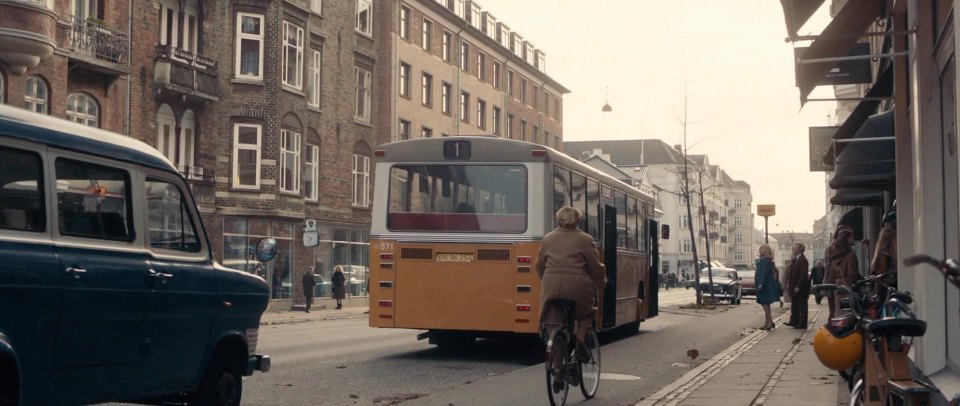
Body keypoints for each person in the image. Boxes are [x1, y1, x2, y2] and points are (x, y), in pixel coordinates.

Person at [536, 206, 606, 364]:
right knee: (588, 312)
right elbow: (594, 266)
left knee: (554, 323)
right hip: (578, 287)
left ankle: (558, 369)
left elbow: (539, 265)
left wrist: (546, 280)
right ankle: (580, 341)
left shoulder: (548, 238)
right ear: (578, 221)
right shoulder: (586, 239)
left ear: (558, 220)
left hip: (551, 286)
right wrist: (601, 283)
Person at [825, 226, 860, 318]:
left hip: (834, 285)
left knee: (834, 313)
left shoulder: (831, 251)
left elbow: (828, 270)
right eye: (852, 236)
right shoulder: (851, 254)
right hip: (846, 286)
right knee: (846, 314)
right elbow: (853, 274)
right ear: (846, 238)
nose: (854, 238)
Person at [785, 243, 810, 329]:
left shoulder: (803, 260)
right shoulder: (796, 259)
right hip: (794, 286)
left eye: (795, 248)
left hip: (801, 288)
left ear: (800, 249)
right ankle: (794, 321)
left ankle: (802, 323)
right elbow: (791, 272)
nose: (793, 249)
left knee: (802, 306)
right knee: (794, 304)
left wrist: (798, 286)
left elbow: (802, 275)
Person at [755, 244, 779, 330]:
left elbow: (764, 273)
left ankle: (770, 322)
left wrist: (761, 283)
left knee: (764, 303)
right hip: (764, 284)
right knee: (765, 303)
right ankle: (768, 322)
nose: (759, 250)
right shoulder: (765, 259)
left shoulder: (765, 259)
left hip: (765, 285)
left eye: (761, 249)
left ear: (765, 250)